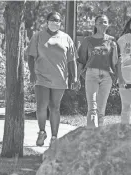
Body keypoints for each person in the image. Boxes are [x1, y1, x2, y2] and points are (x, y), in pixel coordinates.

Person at [27, 12, 79, 146]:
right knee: (41, 106)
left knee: (55, 107)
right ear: (47, 21)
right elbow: (31, 56)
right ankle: (42, 132)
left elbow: (72, 59)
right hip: (41, 76)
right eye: (52, 20)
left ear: (61, 23)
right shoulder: (38, 36)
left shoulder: (66, 38)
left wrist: (75, 77)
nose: (55, 22)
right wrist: (32, 73)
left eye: (58, 20)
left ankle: (54, 137)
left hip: (60, 77)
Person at [77, 15, 118, 128]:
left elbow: (114, 62)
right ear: (95, 24)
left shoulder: (112, 40)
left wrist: (114, 49)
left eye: (105, 22)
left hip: (107, 76)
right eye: (100, 22)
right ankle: (91, 135)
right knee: (92, 107)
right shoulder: (88, 40)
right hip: (91, 74)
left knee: (101, 109)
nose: (102, 24)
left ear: (108, 24)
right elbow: (81, 61)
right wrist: (76, 78)